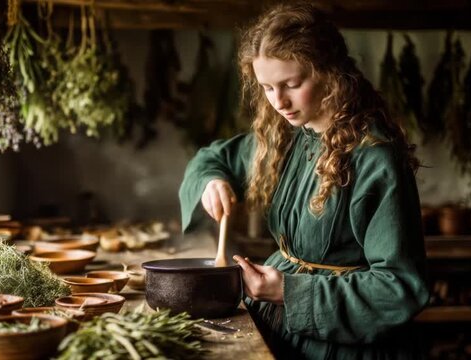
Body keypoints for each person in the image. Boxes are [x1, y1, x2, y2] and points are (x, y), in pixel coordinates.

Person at [179, 3, 430, 359]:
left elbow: (400, 288)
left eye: (292, 84)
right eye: (266, 87)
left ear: (330, 73)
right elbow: (212, 158)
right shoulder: (284, 136)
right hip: (280, 330)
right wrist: (211, 181)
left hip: (345, 347)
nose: (278, 102)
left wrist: (288, 291)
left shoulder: (375, 157)